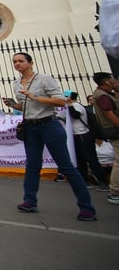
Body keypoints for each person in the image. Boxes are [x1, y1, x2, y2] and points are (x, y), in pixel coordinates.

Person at [7, 52, 96, 221]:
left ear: (30, 63)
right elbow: (25, 105)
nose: (17, 64)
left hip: (49, 125)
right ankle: (29, 201)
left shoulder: (44, 79)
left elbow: (61, 101)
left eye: (20, 61)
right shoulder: (16, 83)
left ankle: (87, 207)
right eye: (14, 61)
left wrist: (35, 96)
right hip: (31, 127)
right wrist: (13, 104)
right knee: (32, 165)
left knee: (66, 166)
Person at [65, 91, 109, 190]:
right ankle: (84, 181)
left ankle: (103, 181)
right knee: (80, 160)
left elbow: (76, 115)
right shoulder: (71, 106)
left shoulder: (76, 105)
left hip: (83, 135)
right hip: (77, 136)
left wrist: (70, 105)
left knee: (91, 159)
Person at [91, 72, 119, 205]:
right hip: (114, 130)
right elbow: (108, 113)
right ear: (107, 81)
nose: (114, 80)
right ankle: (115, 192)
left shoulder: (107, 94)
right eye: (112, 78)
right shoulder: (102, 95)